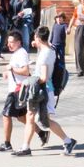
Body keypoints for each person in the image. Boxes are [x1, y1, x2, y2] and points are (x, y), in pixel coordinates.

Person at [27, 28, 77, 156]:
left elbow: (43, 77)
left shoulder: (44, 55)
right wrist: (38, 44)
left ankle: (68, 141)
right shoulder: (51, 49)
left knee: (44, 121)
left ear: (38, 38)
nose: (34, 41)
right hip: (48, 90)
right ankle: (25, 146)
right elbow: (47, 45)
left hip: (43, 91)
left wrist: (30, 81)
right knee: (35, 118)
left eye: (35, 38)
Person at [0, 31, 34, 154]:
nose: (9, 44)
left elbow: (26, 71)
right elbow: (17, 70)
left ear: (19, 42)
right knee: (22, 117)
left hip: (17, 90)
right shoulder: (17, 53)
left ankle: (7, 143)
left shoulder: (21, 53)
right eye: (8, 42)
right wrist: (8, 72)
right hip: (17, 89)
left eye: (12, 42)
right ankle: (42, 132)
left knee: (6, 115)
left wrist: (12, 69)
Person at [48, 8, 71, 96]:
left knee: (61, 57)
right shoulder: (54, 25)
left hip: (61, 44)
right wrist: (50, 41)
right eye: (58, 18)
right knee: (54, 57)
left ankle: (62, 68)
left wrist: (68, 31)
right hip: (54, 44)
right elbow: (52, 34)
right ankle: (54, 66)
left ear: (63, 19)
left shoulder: (64, 25)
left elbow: (67, 30)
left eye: (61, 18)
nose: (59, 19)